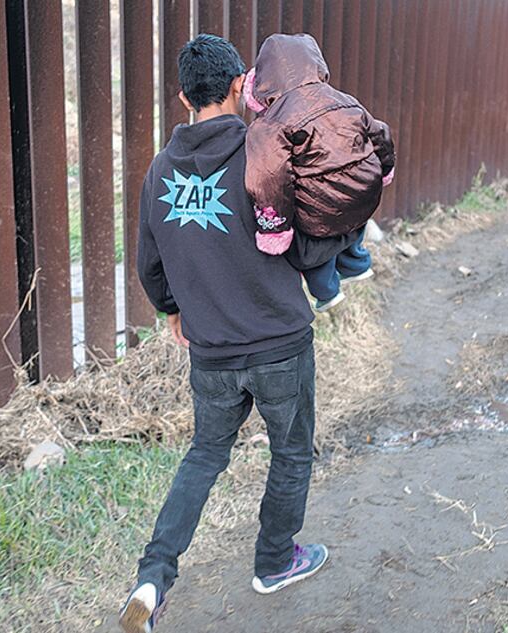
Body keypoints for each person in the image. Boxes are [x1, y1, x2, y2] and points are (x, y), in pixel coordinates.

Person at [121, 34, 328, 633]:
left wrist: (173, 309)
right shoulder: (266, 153)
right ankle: (274, 561)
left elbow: (150, 264)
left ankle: (153, 577)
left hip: (210, 352)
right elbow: (305, 237)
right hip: (280, 344)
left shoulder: (160, 170)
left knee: (206, 453)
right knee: (290, 452)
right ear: (242, 85)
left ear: (183, 96)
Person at [243, 33, 395, 312]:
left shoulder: (270, 124)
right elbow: (380, 133)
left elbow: (268, 178)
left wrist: (274, 229)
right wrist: (384, 171)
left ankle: (326, 290)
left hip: (320, 212)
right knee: (347, 211)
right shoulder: (345, 100)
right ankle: (357, 263)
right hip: (364, 195)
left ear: (261, 84)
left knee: (310, 234)